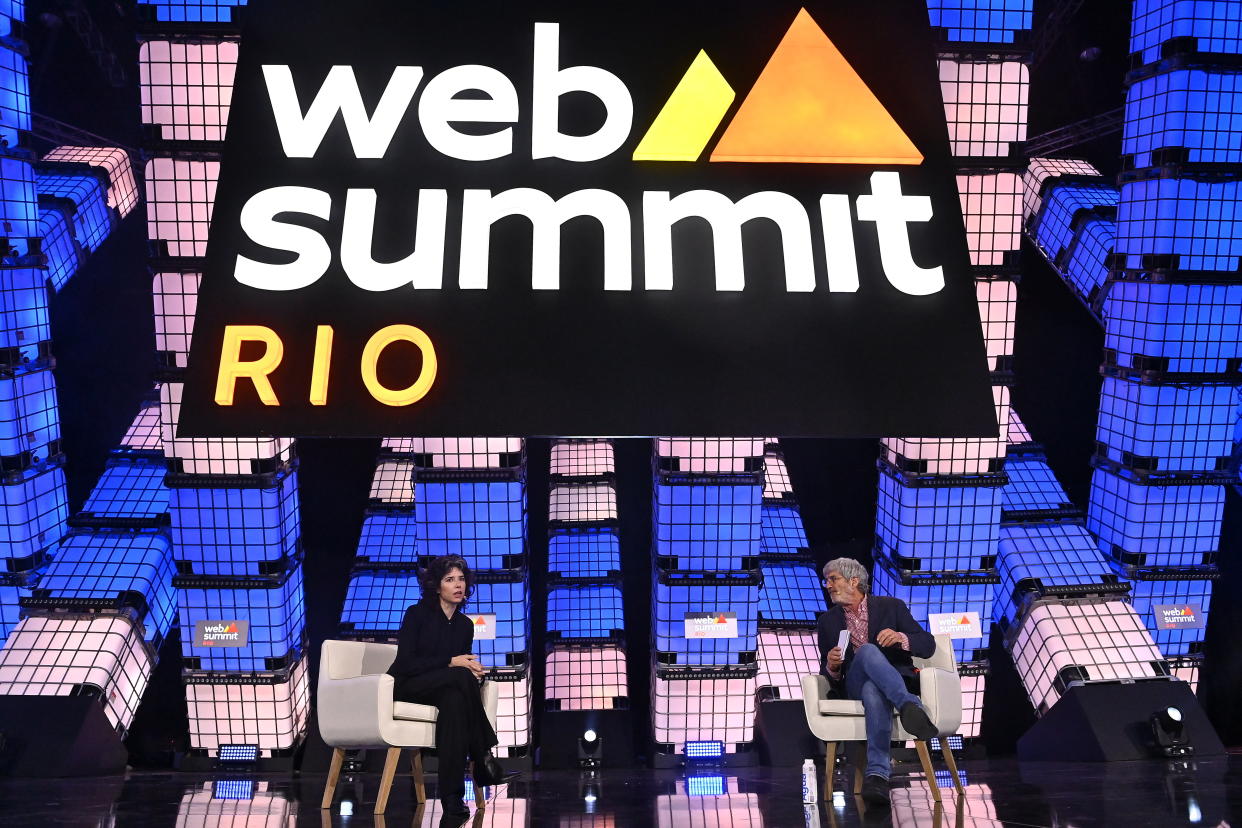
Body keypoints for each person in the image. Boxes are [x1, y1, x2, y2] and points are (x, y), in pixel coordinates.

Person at [816, 557, 939, 807]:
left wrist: (901, 637)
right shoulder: (827, 621)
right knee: (868, 652)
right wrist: (832, 664)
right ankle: (908, 706)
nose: (827, 585)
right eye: (826, 580)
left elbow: (927, 645)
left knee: (874, 691)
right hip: (853, 685)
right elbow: (826, 675)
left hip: (883, 685)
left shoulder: (891, 607)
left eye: (833, 579)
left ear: (854, 581)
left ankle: (877, 777)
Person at [388, 555, 504, 820]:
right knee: (459, 679)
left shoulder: (465, 625)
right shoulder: (417, 614)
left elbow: (456, 672)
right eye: (450, 579)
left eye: (461, 579)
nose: (458, 585)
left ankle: (452, 798)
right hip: (408, 686)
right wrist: (452, 662)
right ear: (436, 586)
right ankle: (483, 752)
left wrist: (474, 673)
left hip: (442, 690)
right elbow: (405, 663)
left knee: (455, 701)